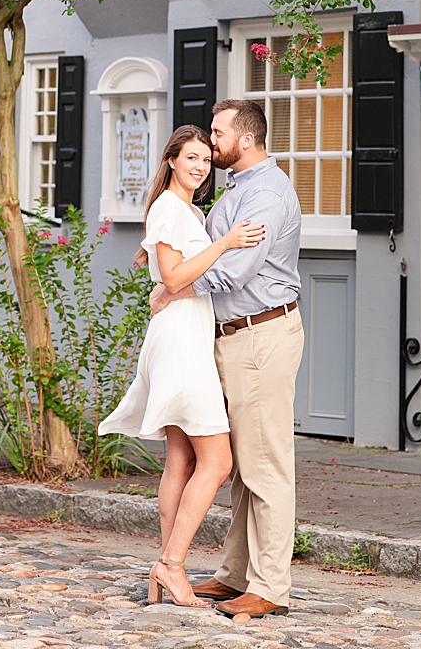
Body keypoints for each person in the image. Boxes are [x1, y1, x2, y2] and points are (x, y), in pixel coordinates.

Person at [100, 124, 265, 607]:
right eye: (190, 157)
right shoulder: (169, 209)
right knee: (218, 461)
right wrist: (227, 243)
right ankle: (170, 565)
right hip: (179, 343)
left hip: (184, 333)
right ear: (171, 160)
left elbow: (173, 281)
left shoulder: (190, 211)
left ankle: (170, 568)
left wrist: (175, 282)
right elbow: (173, 275)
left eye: (205, 159)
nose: (199, 166)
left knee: (182, 457)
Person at [152, 98, 304, 620]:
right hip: (231, 336)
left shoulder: (266, 194)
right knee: (240, 465)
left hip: (261, 335)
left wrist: (176, 287)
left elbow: (235, 270)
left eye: (217, 133)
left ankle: (270, 586)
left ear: (244, 139)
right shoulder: (238, 189)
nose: (209, 142)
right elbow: (201, 245)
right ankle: (236, 573)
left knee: (266, 466)